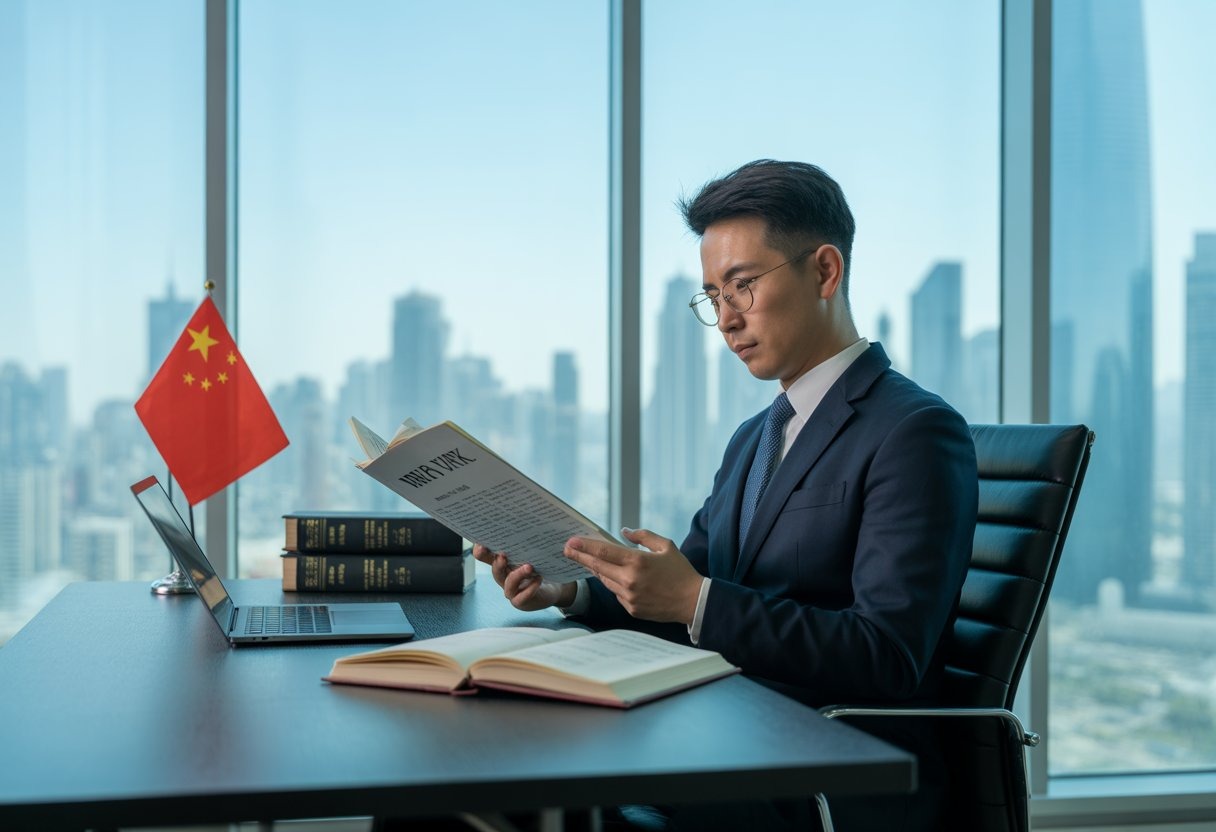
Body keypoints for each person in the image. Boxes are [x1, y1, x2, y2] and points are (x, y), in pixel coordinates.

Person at [473, 159, 978, 831]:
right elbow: (684, 592)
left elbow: (886, 656)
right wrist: (569, 588)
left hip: (824, 771)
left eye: (741, 287)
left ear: (825, 271)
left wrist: (694, 599)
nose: (727, 319)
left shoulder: (914, 431)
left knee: (529, 788)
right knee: (480, 776)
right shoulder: (755, 436)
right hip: (728, 733)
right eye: (713, 296)